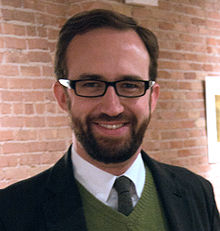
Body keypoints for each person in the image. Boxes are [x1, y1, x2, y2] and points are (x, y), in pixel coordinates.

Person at [0, 9, 219, 231]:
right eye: (91, 84)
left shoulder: (197, 193)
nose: (112, 108)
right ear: (62, 97)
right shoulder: (10, 213)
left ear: (152, 98)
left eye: (130, 85)